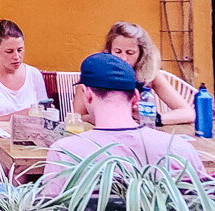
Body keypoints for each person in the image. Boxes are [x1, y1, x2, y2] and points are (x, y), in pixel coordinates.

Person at [44, 52, 205, 195]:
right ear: (135, 97)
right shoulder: (179, 149)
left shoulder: (63, 152)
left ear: (87, 95)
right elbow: (204, 209)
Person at [72, 22, 194, 125]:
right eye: (118, 51)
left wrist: (151, 119)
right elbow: (77, 117)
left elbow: (188, 113)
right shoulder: (94, 74)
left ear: (141, 54)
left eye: (130, 53)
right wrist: (107, 116)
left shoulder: (149, 75)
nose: (123, 58)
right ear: (108, 50)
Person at [0, 19, 48, 122]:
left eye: (20, 50)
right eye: (9, 51)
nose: (16, 57)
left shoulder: (34, 74)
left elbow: (44, 114)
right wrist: (21, 116)